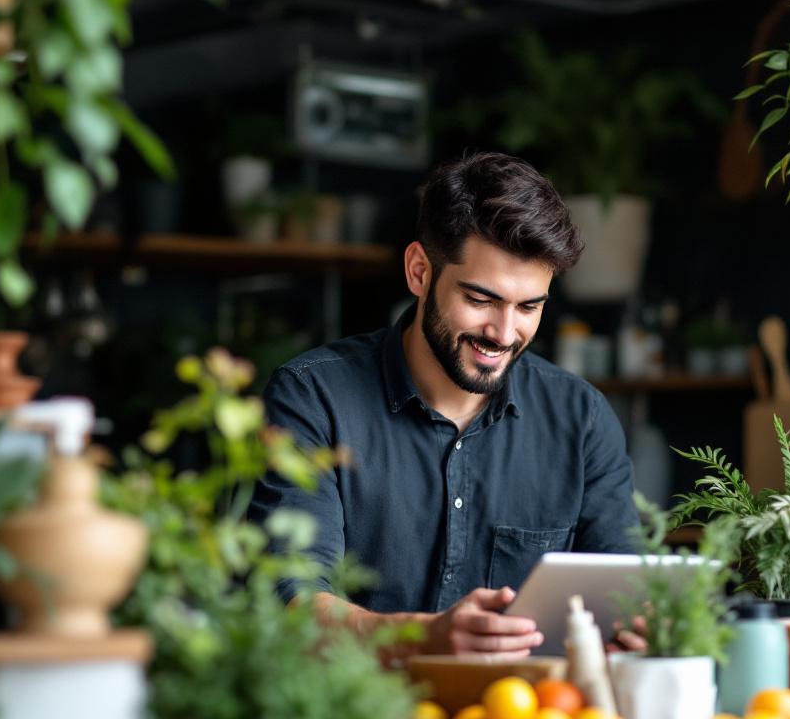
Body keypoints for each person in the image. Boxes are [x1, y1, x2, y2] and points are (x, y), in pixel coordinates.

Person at [249, 152, 639, 658]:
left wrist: (643, 626)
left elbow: (629, 593)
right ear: (418, 271)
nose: (503, 334)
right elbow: (291, 600)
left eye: (529, 307)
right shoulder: (313, 399)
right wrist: (421, 638)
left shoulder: (581, 420)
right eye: (480, 300)